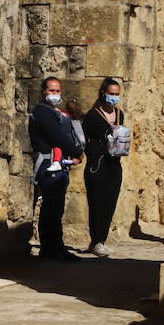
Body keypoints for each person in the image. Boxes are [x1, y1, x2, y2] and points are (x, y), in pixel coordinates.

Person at [28, 76, 84, 260]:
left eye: (57, 91)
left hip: (59, 164)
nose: (55, 94)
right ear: (44, 91)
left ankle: (57, 246)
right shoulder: (43, 112)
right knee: (51, 208)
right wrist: (76, 151)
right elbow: (57, 136)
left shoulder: (53, 111)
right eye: (51, 90)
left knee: (56, 207)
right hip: (48, 164)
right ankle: (49, 249)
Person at [82, 78, 126, 257]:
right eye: (111, 94)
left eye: (117, 94)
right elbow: (84, 140)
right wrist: (98, 149)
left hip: (114, 164)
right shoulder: (92, 115)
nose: (114, 98)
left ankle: (102, 239)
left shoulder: (119, 113)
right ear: (103, 93)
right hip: (98, 164)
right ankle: (96, 240)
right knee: (97, 202)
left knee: (110, 202)